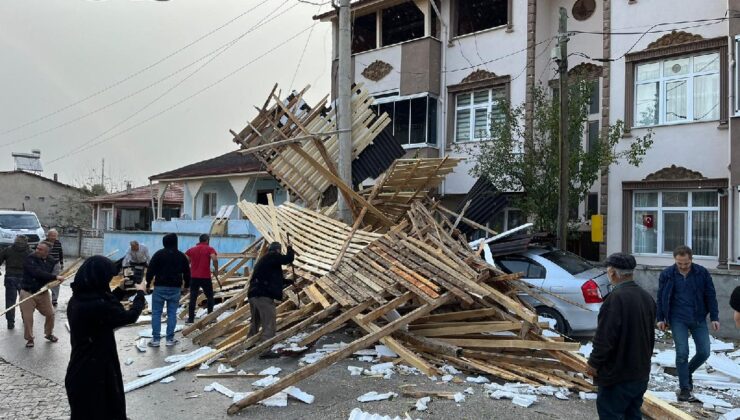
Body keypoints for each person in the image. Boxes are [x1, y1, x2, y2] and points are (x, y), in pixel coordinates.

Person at [65, 256, 146, 420]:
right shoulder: (98, 304)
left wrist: (121, 290)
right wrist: (140, 294)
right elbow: (127, 317)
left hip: (83, 367)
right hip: (95, 373)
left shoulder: (79, 298)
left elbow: (103, 305)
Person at [587, 253, 656, 419]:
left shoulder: (615, 299)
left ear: (612, 272)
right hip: (640, 373)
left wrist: (594, 363)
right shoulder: (646, 297)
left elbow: (604, 338)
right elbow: (650, 336)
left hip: (617, 376)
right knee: (632, 415)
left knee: (612, 414)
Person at [657, 245, 720, 402]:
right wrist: (660, 318)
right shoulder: (667, 274)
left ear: (691, 259)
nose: (683, 266)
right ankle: (685, 388)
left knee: (704, 351)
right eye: (680, 263)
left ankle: (686, 372)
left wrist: (714, 317)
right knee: (682, 353)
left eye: (686, 263)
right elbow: (660, 297)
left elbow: (711, 295)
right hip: (677, 319)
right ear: (675, 260)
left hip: (698, 317)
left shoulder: (701, 273)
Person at [247, 240, 294, 359]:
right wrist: (290, 248)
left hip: (254, 294)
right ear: (277, 250)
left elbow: (275, 279)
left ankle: (249, 344)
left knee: (255, 321)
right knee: (269, 322)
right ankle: (265, 350)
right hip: (263, 296)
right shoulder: (272, 256)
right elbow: (288, 259)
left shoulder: (266, 260)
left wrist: (289, 282)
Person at [145, 233, 190, 347]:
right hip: (175, 289)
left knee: (156, 313)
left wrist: (148, 283)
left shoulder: (159, 254)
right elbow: (187, 272)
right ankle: (170, 339)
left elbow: (151, 269)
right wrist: (186, 286)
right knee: (171, 314)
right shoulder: (181, 256)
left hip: (160, 287)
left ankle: (155, 340)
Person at [20, 242, 65, 348]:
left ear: (46, 252)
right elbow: (36, 273)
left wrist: (57, 279)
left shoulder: (51, 261)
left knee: (50, 314)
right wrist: (54, 277)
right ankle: (29, 339)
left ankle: (49, 334)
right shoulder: (30, 258)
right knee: (28, 318)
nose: (37, 250)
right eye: (37, 248)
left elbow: (56, 273)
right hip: (28, 292)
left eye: (40, 249)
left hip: (42, 292)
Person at [185, 234, 218, 324]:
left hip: (194, 277)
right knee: (210, 297)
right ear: (207, 240)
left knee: (193, 298)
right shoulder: (210, 249)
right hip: (205, 277)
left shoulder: (191, 250)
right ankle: (210, 317)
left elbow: (186, 261)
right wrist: (216, 270)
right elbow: (214, 259)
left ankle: (190, 319)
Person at [0, 236, 32, 329]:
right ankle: (25, 319)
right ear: (26, 242)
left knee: (10, 301)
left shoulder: (8, 250)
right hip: (24, 278)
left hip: (10, 277)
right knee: (25, 301)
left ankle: (10, 322)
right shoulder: (29, 252)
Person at [46, 229, 64, 306]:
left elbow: (60, 253)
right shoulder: (44, 243)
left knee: (56, 281)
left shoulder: (58, 243)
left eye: (55, 236)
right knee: (45, 281)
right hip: (46, 264)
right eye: (52, 236)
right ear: (48, 235)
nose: (53, 237)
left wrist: (61, 263)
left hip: (56, 264)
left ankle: (54, 299)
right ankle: (44, 298)